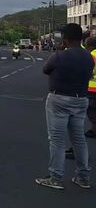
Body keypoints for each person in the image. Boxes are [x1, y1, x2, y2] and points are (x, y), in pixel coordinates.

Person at [35, 23, 93, 190]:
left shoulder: (59, 56)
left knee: (57, 140)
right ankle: (83, 177)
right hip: (81, 100)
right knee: (79, 140)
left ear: (65, 39)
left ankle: (56, 177)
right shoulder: (88, 57)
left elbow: (46, 70)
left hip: (59, 99)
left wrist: (59, 50)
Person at [85, 36, 96, 139]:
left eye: (86, 45)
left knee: (92, 110)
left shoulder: (92, 55)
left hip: (93, 88)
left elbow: (88, 70)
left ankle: (94, 130)